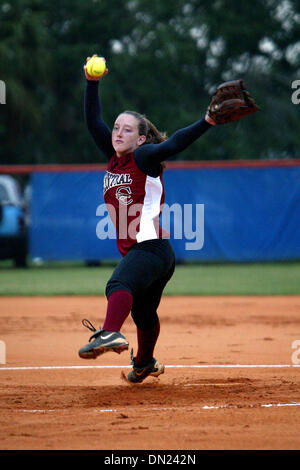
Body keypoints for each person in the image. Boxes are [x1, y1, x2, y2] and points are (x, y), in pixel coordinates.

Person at [78, 55, 215, 383]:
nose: (118, 132)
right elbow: (93, 120)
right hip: (154, 254)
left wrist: (207, 120)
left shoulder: (143, 157)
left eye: (127, 129)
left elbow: (175, 141)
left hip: (150, 248)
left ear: (141, 139)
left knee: (118, 284)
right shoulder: (114, 159)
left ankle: (110, 332)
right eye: (116, 127)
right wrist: (92, 83)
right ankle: (144, 363)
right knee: (143, 312)